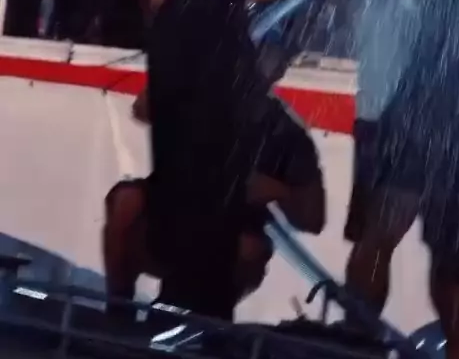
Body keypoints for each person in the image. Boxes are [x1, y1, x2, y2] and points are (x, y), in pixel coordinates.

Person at [131, 0, 369, 320]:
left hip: (173, 38)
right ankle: (206, 310)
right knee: (219, 169)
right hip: (217, 34)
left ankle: (172, 300)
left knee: (177, 166)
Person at [103, 88, 325, 310]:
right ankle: (119, 310)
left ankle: (202, 315)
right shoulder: (199, 87)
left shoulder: (286, 130)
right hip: (169, 212)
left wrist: (279, 190)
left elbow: (313, 220)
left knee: (250, 248)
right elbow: (140, 108)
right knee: (126, 201)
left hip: (233, 229)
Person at [342, 0, 447, 319]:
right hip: (376, 116)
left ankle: (359, 335)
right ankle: (355, 335)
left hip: (426, 122)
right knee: (371, 237)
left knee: (390, 239)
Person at [372, 0, 459, 359]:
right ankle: (355, 337)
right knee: (452, 252)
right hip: (439, 109)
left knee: (455, 253)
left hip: (431, 106)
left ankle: (356, 336)